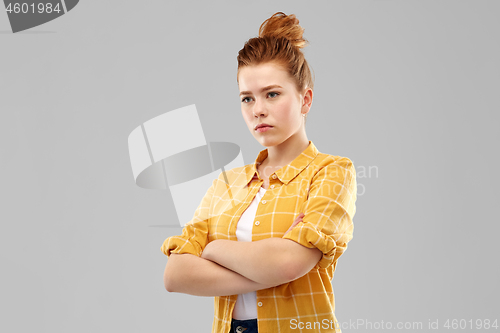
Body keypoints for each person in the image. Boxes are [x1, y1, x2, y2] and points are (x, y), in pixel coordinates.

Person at [161, 12, 357, 333]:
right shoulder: (227, 183)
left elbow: (287, 263)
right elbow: (175, 274)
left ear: (305, 99)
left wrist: (213, 250)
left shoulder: (331, 172)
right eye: (247, 98)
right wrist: (272, 268)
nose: (258, 109)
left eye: (272, 94)